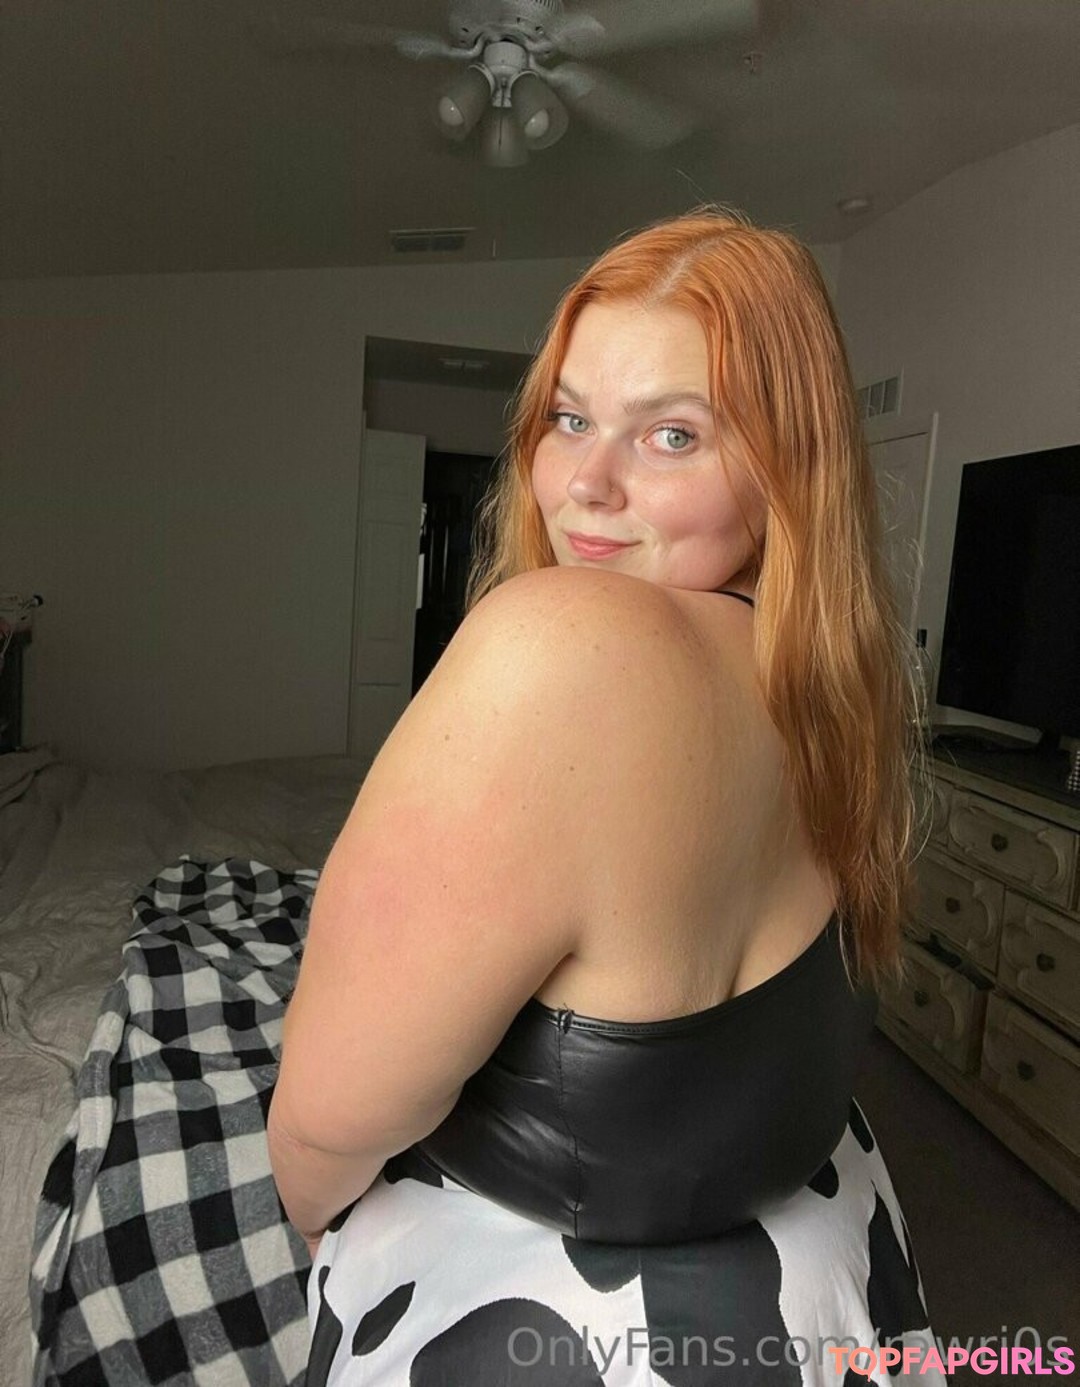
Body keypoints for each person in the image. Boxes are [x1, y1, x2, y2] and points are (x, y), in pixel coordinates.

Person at [268, 207, 947, 1386]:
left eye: (672, 435)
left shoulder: (559, 645)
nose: (585, 482)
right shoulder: (837, 690)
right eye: (570, 418)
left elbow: (328, 1123)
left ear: (788, 467)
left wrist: (318, 1226)